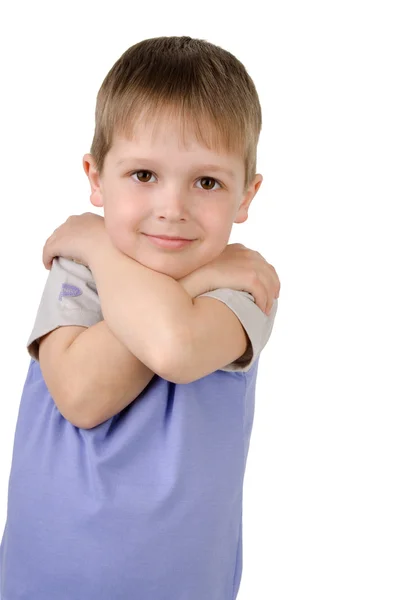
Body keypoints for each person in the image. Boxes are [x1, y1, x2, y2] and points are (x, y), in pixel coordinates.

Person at [0, 36, 280, 599]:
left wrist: (96, 243)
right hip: (39, 582)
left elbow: (174, 348)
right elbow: (81, 395)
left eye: (206, 182)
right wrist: (186, 278)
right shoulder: (79, 277)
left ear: (246, 196)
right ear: (96, 177)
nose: (171, 208)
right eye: (143, 175)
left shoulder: (242, 290)